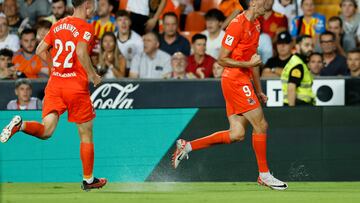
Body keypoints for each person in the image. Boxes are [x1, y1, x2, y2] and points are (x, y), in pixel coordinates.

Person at [172, 0, 288, 190]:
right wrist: (247, 66)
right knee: (261, 125)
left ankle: (188, 146)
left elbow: (253, 61)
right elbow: (222, 59)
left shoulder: (257, 24)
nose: (267, 2)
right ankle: (264, 175)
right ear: (252, 3)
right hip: (234, 80)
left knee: (237, 134)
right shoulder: (237, 25)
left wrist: (258, 90)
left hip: (243, 79)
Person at [0, 0, 106, 190]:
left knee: (47, 130)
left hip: (55, 84)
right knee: (85, 135)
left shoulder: (58, 24)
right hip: (75, 87)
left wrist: (56, 69)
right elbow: (81, 51)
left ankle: (21, 125)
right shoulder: (86, 27)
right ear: (88, 5)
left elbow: (40, 50)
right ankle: (89, 180)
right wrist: (93, 75)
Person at [281, 35, 315, 106]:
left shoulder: (296, 61)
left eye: (312, 45)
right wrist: (292, 111)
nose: (310, 48)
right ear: (297, 46)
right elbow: (291, 87)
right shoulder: (298, 65)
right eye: (306, 45)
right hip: (299, 106)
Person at [115, 10, 143, 76]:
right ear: (115, 23)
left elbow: (141, 61)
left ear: (130, 22)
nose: (123, 22)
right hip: (115, 71)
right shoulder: (111, 39)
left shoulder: (138, 40)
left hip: (133, 72)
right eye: (120, 20)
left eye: (126, 19)